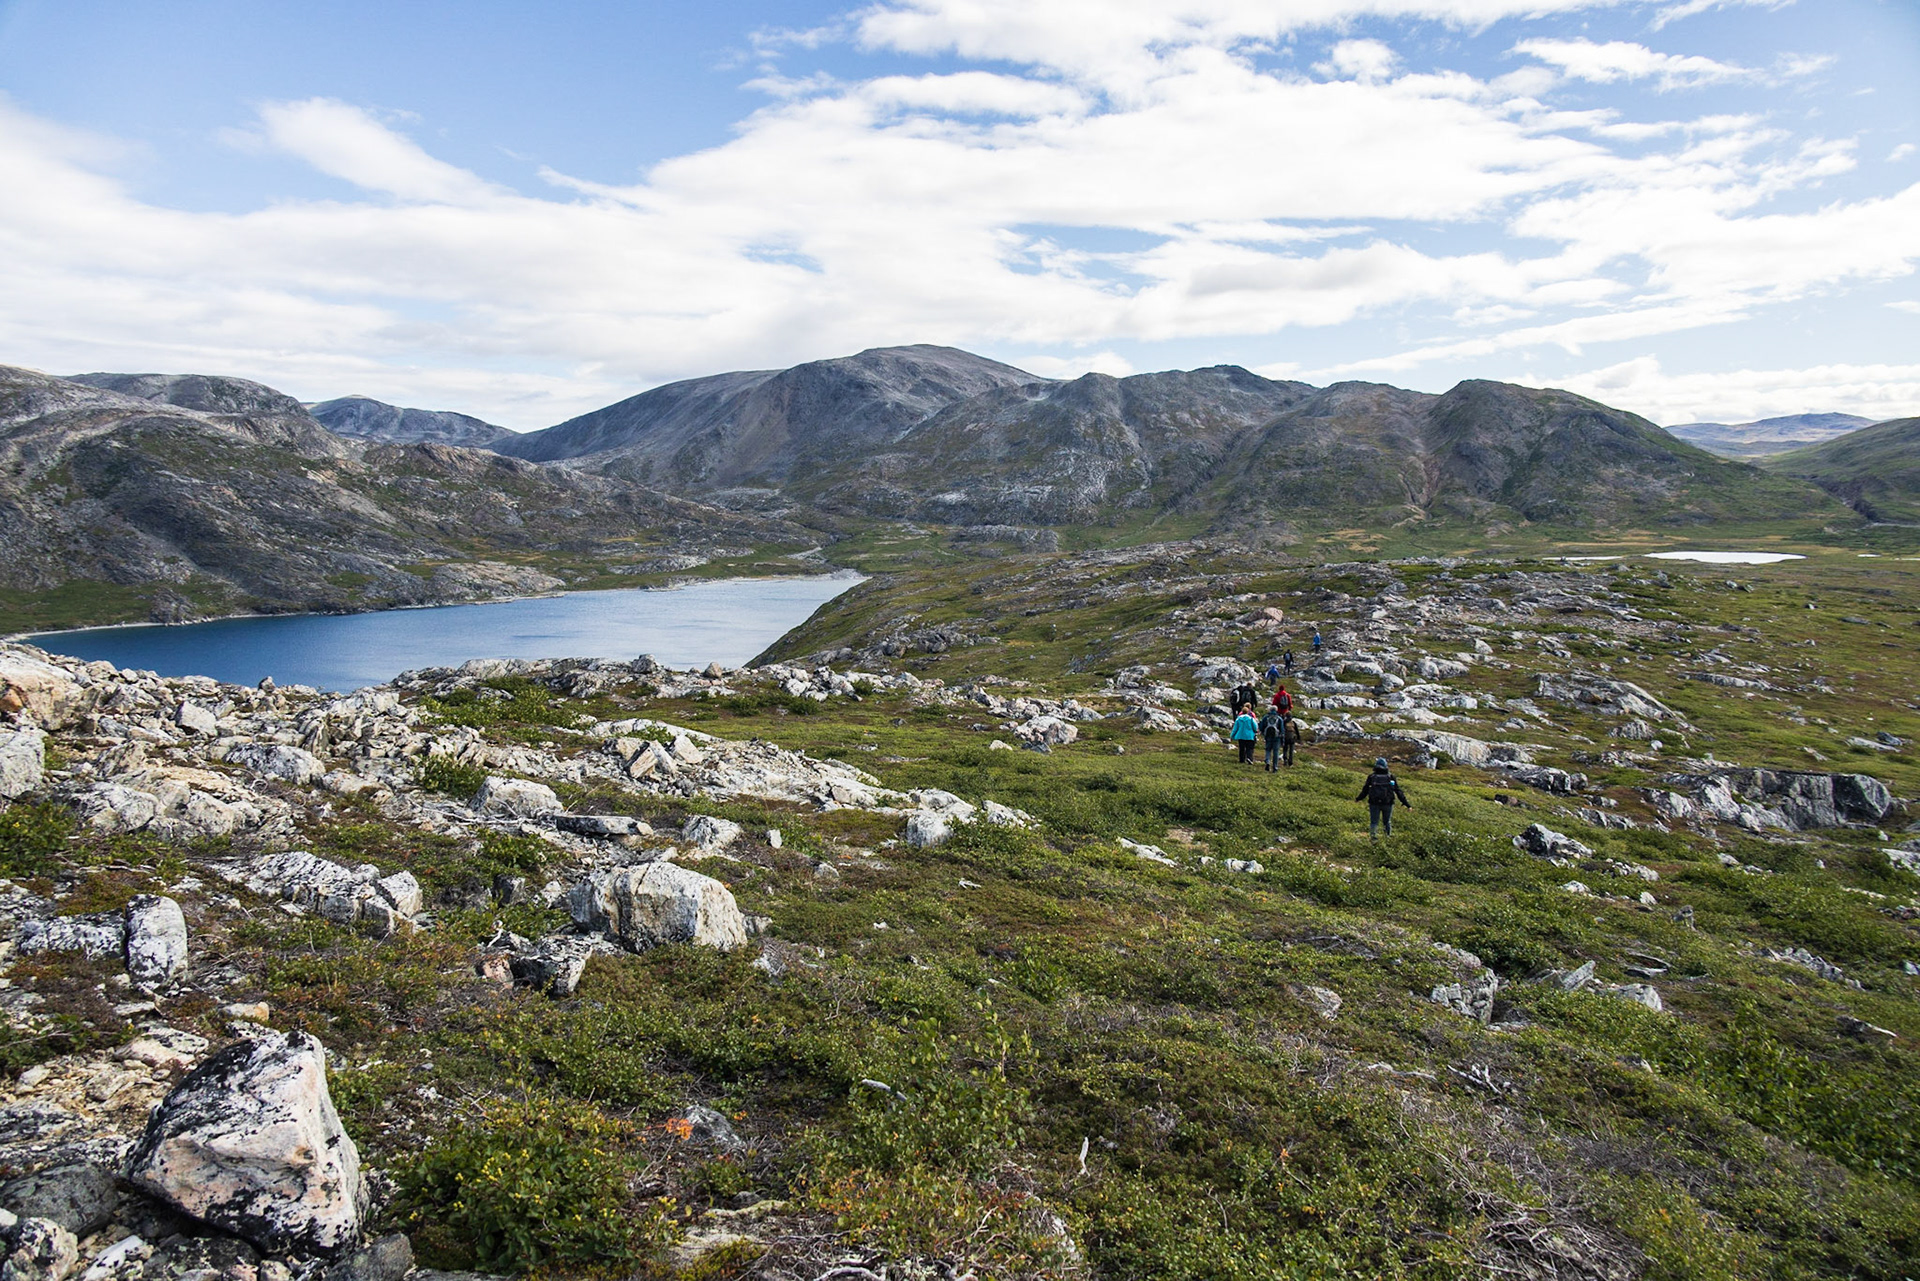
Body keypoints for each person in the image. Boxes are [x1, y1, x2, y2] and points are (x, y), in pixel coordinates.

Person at [1355, 757, 1410, 837]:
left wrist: (1358, 798)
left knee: (1374, 822)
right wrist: (1406, 804)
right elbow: (1398, 791)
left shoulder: (1371, 777)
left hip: (1374, 803)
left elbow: (1365, 790)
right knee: (1387, 821)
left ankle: (1373, 839)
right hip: (1388, 803)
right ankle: (1387, 837)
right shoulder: (1391, 777)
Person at [1259, 706, 1284, 771]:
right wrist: (1282, 739)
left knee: (1268, 750)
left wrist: (1263, 733)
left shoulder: (1265, 717)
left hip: (1268, 736)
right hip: (1276, 737)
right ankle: (1275, 767)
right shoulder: (1279, 718)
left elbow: (1261, 727)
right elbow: (1282, 729)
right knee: (1276, 752)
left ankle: (1267, 761)